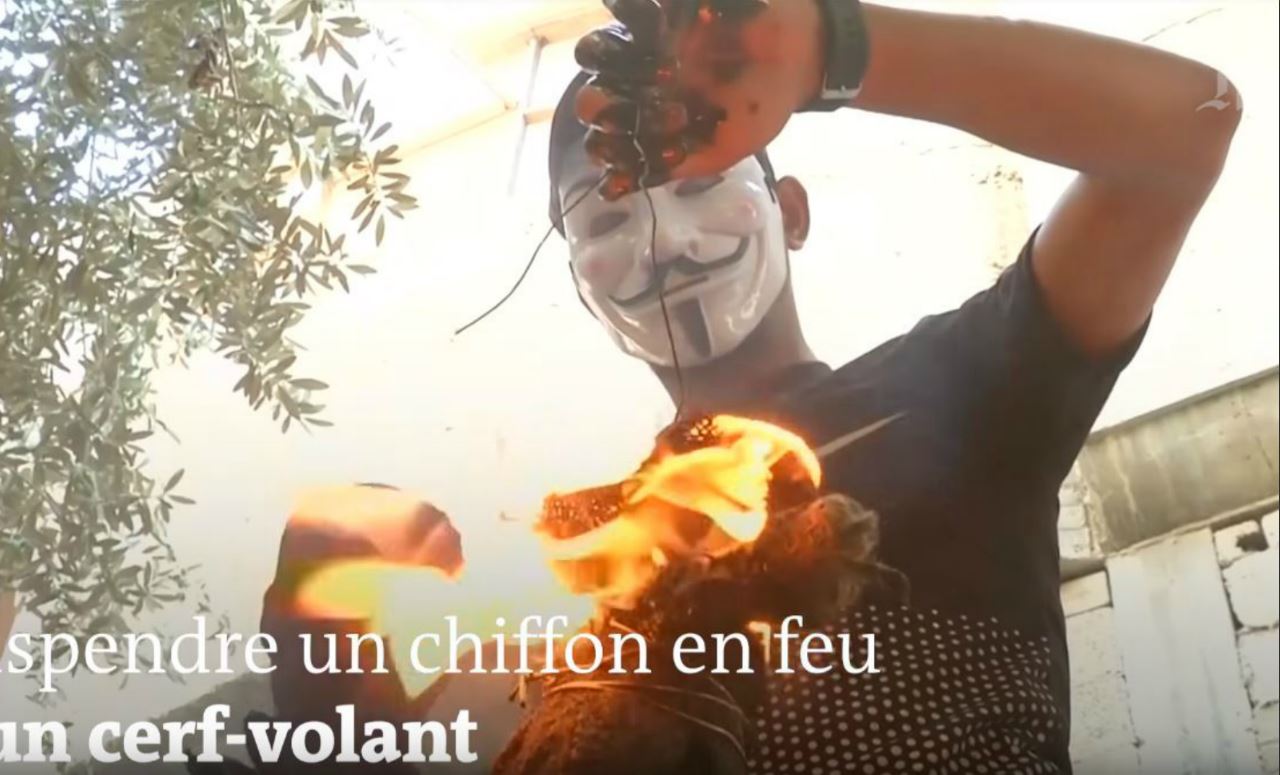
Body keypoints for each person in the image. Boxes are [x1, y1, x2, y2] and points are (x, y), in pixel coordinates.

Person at [259, 2, 1241, 772]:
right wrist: (317, 634)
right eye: (607, 220)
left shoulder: (960, 391)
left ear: (791, 211)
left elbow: (1183, 129)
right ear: (581, 286)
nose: (664, 241)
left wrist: (828, 48)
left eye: (697, 183)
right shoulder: (571, 554)